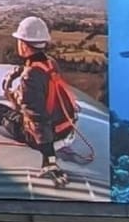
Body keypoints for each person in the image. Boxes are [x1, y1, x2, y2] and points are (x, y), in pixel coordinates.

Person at [7, 16, 77, 186]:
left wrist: (49, 160)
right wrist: (21, 71)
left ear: (23, 44)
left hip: (48, 138)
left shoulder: (30, 76)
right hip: (66, 130)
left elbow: (38, 119)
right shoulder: (50, 63)